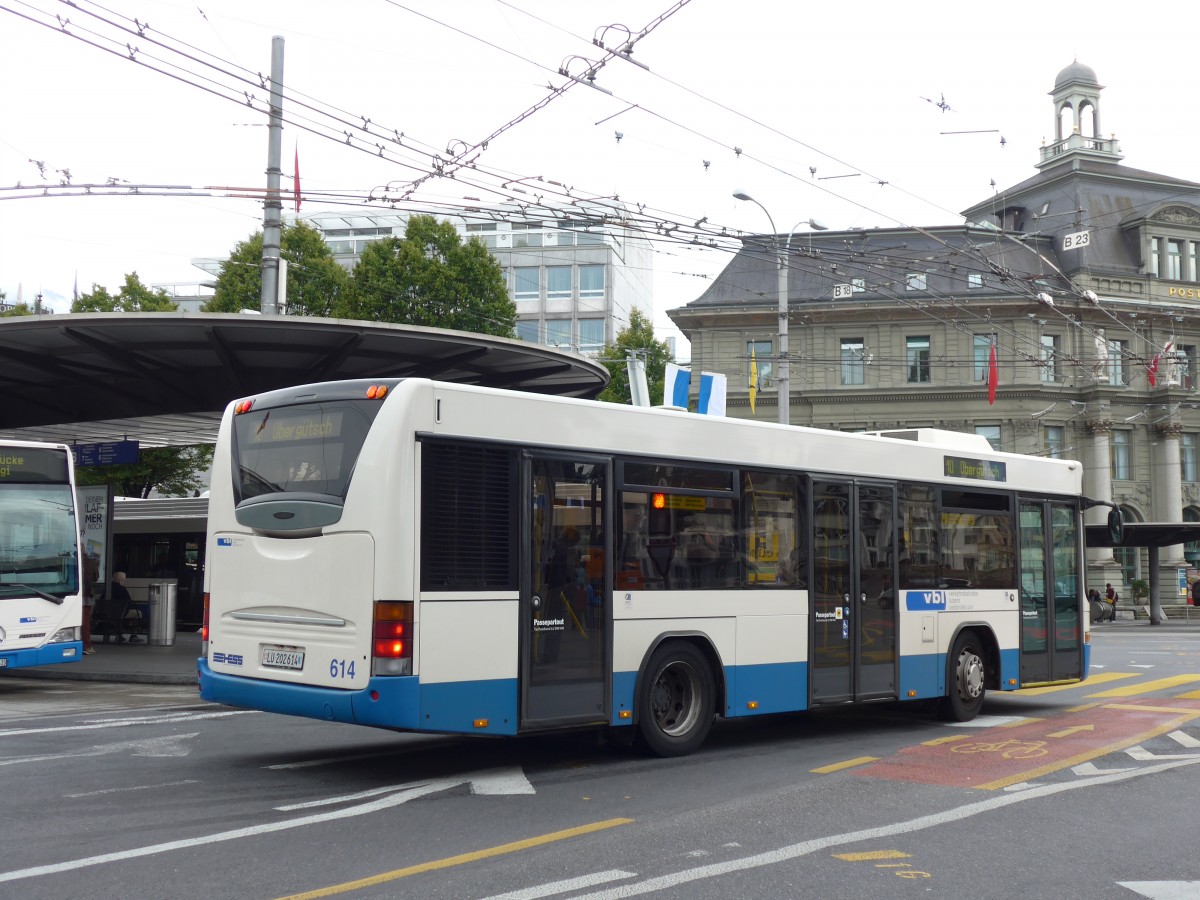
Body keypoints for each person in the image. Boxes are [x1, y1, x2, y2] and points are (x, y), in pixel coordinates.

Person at [81, 555, 99, 654]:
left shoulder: (70, 559)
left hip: (70, 594)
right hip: (86, 595)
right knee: (85, 622)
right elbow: (96, 577)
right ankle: (87, 646)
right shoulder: (92, 562)